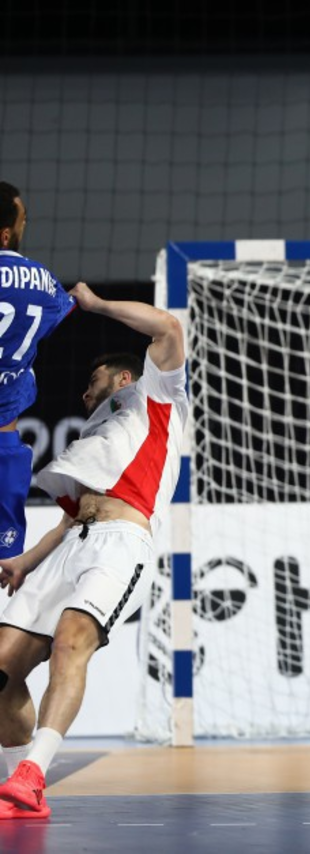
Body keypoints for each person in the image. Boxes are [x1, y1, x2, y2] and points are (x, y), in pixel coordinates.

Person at [0, 284, 186, 820]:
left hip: (121, 545)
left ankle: (34, 773)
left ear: (123, 378)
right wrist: (26, 561)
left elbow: (169, 327)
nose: (85, 394)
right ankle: (19, 786)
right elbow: (68, 522)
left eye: (93, 380)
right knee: (3, 670)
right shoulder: (94, 439)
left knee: (70, 642)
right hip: (72, 547)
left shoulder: (156, 396)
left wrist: (97, 305)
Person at [0, 182, 79, 561]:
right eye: (23, 219)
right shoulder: (41, 281)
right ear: (5, 234)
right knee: (6, 565)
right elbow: (63, 310)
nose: (25, 225)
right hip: (4, 451)